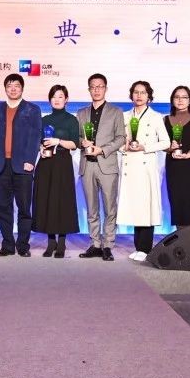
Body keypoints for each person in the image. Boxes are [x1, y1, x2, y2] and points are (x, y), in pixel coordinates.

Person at [0, 73, 42, 257]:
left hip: (23, 165)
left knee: (24, 207)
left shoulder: (32, 109)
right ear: (5, 88)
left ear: (22, 88)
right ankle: (7, 244)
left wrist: (30, 160)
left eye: (16, 85)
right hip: (2, 164)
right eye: (9, 85)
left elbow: (35, 137)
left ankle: (23, 245)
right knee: (3, 207)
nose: (13, 89)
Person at [117, 80, 170, 261]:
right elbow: (118, 140)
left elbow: (165, 142)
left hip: (145, 166)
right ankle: (138, 246)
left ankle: (145, 248)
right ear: (131, 95)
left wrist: (144, 147)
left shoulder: (156, 117)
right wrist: (123, 147)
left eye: (143, 93)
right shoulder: (124, 116)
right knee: (134, 206)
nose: (139, 96)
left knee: (146, 207)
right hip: (129, 165)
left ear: (149, 96)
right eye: (136, 92)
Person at [76, 73, 125, 261]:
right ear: (89, 89)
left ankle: (108, 245)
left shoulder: (116, 112)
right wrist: (82, 142)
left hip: (107, 165)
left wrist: (102, 149)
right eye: (93, 87)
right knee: (91, 208)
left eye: (100, 86)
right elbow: (76, 137)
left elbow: (121, 138)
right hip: (87, 165)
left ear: (106, 88)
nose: (96, 90)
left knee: (110, 208)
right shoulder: (81, 113)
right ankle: (95, 243)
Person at [33, 84, 80, 258]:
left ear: (66, 99)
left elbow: (75, 144)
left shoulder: (71, 120)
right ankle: (50, 241)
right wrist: (40, 148)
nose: (57, 100)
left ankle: (61, 242)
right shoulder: (44, 119)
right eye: (54, 96)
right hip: (46, 163)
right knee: (47, 201)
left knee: (62, 201)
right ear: (49, 100)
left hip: (62, 163)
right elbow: (39, 140)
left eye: (60, 96)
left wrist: (57, 141)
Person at [163, 85, 190, 228]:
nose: (180, 100)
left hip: (189, 166)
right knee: (175, 202)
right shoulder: (165, 120)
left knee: (188, 203)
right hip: (172, 166)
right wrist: (170, 148)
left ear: (189, 100)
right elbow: (161, 144)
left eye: (184, 97)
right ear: (172, 100)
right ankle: (180, 235)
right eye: (177, 97)